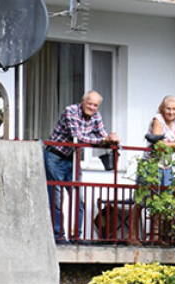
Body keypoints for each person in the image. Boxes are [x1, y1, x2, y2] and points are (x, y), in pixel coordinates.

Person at [44, 90, 121, 243]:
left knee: (79, 199)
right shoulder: (70, 111)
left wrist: (112, 139)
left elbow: (102, 135)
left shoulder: (96, 116)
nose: (92, 107)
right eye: (89, 103)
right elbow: (77, 138)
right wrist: (103, 140)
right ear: (82, 101)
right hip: (55, 156)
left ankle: (76, 236)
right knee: (56, 200)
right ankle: (58, 236)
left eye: (95, 105)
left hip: (73, 158)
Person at [128, 95, 175, 246]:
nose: (171, 112)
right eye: (168, 109)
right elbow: (158, 145)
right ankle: (132, 237)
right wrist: (174, 144)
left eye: (174, 109)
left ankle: (156, 236)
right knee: (140, 200)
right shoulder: (157, 120)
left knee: (162, 200)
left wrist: (170, 144)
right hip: (150, 164)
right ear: (163, 109)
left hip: (166, 165)